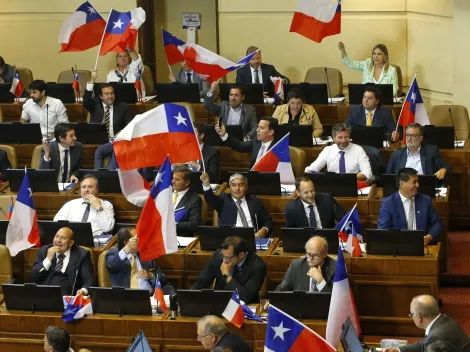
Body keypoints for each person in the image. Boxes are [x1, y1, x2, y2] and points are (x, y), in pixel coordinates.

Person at [377, 168, 444, 245]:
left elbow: (437, 223)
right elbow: (382, 230)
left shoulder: (425, 200)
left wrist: (430, 236)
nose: (417, 185)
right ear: (402, 184)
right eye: (414, 182)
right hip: (399, 246)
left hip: (423, 246)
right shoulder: (388, 203)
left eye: (418, 182)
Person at [191, 236, 266, 304]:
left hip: (242, 308)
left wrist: (227, 275)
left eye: (228, 258)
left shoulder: (258, 266)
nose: (224, 260)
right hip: (218, 302)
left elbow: (245, 297)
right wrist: (190, 297)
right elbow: (202, 281)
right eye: (223, 256)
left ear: (241, 255)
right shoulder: (218, 256)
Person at [383, 295, 469, 352]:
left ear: (418, 317)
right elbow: (424, 344)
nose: (411, 317)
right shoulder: (445, 319)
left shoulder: (435, 337)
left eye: (411, 314)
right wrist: (398, 350)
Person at [201, 172, 272, 238]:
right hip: (231, 242)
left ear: (246, 187)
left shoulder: (254, 201)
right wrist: (206, 184)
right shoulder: (223, 200)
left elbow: (267, 220)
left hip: (253, 239)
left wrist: (264, 230)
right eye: (233, 185)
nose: (237, 188)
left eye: (240, 185)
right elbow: (210, 199)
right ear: (230, 187)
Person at [105, 227, 170, 295]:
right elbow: (111, 266)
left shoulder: (145, 254)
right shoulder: (114, 253)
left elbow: (163, 278)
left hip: (149, 298)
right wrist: (127, 248)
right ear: (126, 242)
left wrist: (151, 276)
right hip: (125, 299)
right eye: (136, 239)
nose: (140, 240)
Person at [31, 227, 94, 296]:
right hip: (44, 294)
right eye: (56, 236)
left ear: (71, 243)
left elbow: (89, 280)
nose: (58, 240)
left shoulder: (82, 255)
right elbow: (34, 277)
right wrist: (48, 259)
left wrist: (83, 291)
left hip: (68, 296)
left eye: (63, 238)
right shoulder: (44, 251)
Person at [305, 123, 372, 181]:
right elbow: (311, 169)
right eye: (340, 137)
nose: (343, 140)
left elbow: (367, 173)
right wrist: (307, 172)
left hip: (353, 183)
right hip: (332, 184)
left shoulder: (358, 150)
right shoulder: (328, 150)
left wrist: (347, 179)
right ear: (333, 138)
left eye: (346, 137)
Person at [386, 123, 452, 182]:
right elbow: (387, 177)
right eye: (407, 135)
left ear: (421, 138)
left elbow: (448, 167)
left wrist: (444, 169)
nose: (409, 139)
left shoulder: (431, 152)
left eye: (413, 136)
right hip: (403, 191)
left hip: (424, 189)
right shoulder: (397, 154)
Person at [85, 71, 130, 139]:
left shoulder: (122, 106)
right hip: (98, 140)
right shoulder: (95, 105)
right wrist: (92, 81)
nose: (110, 96)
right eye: (106, 94)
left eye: (112, 93)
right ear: (101, 96)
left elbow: (129, 126)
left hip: (117, 141)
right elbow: (86, 100)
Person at [172, 166, 202, 237]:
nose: (172, 181)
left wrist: (172, 224)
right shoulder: (165, 193)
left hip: (179, 237)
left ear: (187, 182)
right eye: (173, 178)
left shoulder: (194, 199)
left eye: (177, 179)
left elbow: (194, 224)